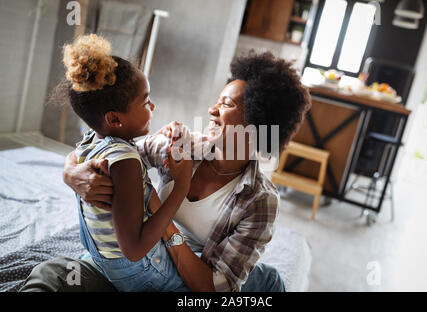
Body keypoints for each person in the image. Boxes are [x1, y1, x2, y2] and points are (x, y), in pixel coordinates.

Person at [20, 50, 311, 292]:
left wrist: (162, 214)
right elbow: (113, 144)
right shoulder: (183, 148)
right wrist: (71, 171)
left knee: (267, 281)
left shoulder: (260, 201)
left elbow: (212, 287)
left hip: (179, 280)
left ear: (257, 122)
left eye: (226, 104)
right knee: (53, 275)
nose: (211, 110)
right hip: (134, 262)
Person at [49, 34, 193, 292]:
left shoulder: (91, 141)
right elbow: (135, 250)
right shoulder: (125, 161)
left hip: (101, 259)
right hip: (140, 273)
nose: (153, 105)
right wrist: (182, 186)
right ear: (115, 119)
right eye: (145, 101)